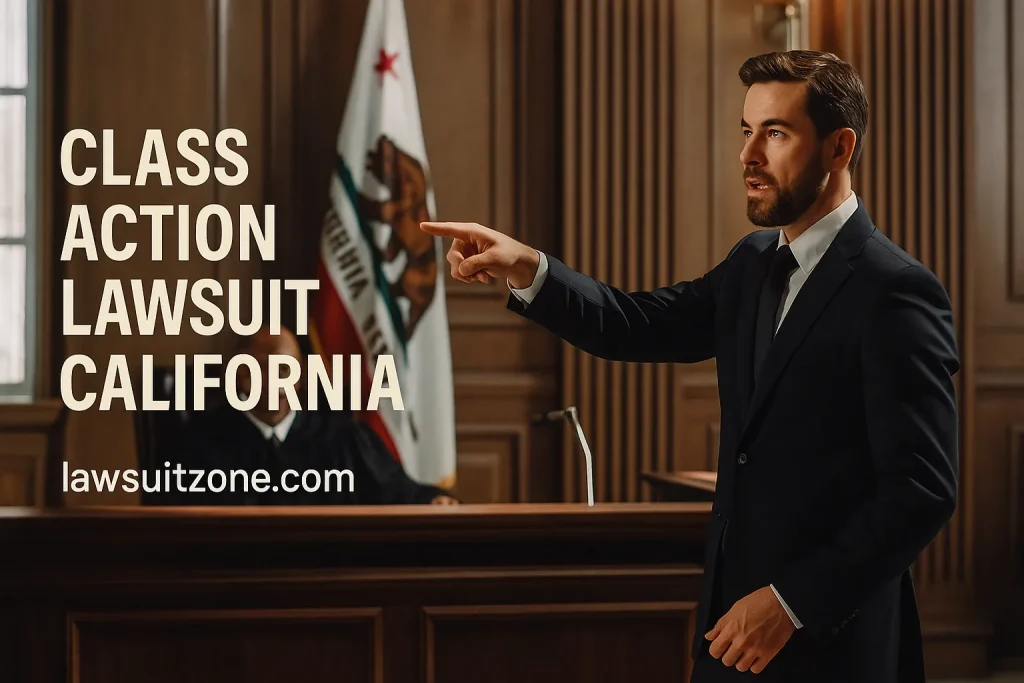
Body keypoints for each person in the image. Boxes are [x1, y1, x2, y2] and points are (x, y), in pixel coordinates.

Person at [420, 50, 958, 683]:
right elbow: (635, 322)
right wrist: (527, 267)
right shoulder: (753, 262)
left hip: (834, 645)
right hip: (729, 635)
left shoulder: (894, 290)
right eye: (746, 130)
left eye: (775, 133)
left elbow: (921, 491)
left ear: (840, 148)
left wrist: (791, 603)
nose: (748, 155)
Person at [157, 326, 457, 506]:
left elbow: (399, 493)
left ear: (299, 379)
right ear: (239, 375)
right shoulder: (198, 442)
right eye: (260, 368)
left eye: (284, 370)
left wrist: (432, 499)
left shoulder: (345, 441)